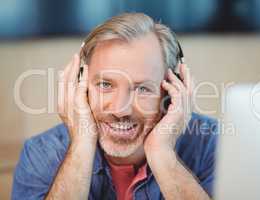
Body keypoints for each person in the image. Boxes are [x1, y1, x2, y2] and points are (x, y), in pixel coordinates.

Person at [12, 13, 218, 200]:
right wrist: (82, 143)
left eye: (143, 89)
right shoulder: (41, 152)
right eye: (105, 85)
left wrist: (162, 154)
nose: (121, 110)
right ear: (80, 86)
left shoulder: (213, 145)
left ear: (173, 90)